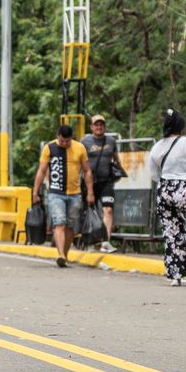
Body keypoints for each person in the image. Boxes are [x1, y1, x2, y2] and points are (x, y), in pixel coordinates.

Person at [148, 109, 186, 286]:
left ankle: (175, 275)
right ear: (181, 126)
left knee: (171, 233)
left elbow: (153, 174)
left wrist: (168, 182)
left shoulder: (157, 147)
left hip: (165, 189)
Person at [32, 124, 94, 268]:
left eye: (67, 141)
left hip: (75, 194)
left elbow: (87, 171)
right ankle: (60, 254)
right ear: (57, 136)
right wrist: (35, 192)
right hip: (56, 193)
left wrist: (90, 192)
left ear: (72, 138)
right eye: (62, 141)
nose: (65, 143)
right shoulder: (49, 148)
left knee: (70, 227)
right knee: (59, 223)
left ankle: (64, 255)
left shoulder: (80, 148)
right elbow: (41, 171)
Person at [82, 114, 126, 252]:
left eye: (101, 124)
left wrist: (119, 171)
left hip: (106, 181)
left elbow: (116, 158)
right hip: (90, 182)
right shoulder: (85, 141)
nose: (99, 127)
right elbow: (79, 160)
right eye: (96, 124)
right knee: (89, 211)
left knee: (108, 209)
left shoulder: (111, 141)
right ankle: (89, 241)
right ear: (91, 127)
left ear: (105, 127)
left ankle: (105, 243)